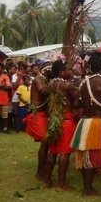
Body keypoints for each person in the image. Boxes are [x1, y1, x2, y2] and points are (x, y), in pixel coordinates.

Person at [71, 51, 101, 197]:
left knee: (85, 155)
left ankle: (87, 186)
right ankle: (87, 189)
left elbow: (76, 103)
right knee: (92, 155)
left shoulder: (83, 83)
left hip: (84, 122)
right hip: (97, 122)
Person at [43, 60, 78, 192]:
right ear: (61, 72)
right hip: (65, 120)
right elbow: (76, 100)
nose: (71, 71)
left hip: (53, 120)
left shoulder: (51, 84)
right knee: (64, 153)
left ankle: (47, 181)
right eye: (69, 70)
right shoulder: (67, 85)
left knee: (52, 150)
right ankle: (61, 184)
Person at [24, 61, 50, 181]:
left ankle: (43, 169)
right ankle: (40, 172)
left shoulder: (46, 80)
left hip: (43, 114)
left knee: (47, 142)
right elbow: (42, 90)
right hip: (37, 114)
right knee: (45, 141)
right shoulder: (38, 80)